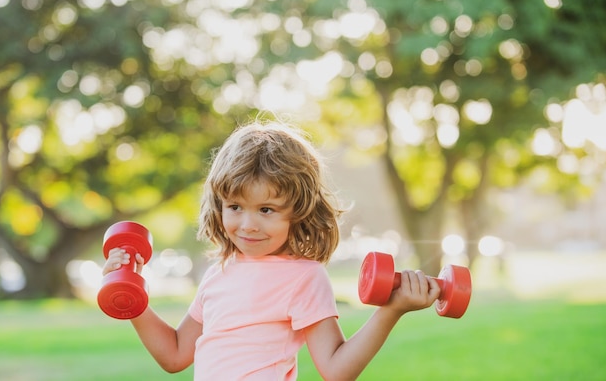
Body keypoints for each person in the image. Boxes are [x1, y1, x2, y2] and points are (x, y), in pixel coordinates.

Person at [102, 121, 440, 380]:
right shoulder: (219, 273)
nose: (247, 224)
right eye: (235, 206)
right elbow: (175, 355)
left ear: (299, 211)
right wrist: (130, 292)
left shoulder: (304, 277)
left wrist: (391, 310)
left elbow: (337, 370)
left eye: (266, 210)